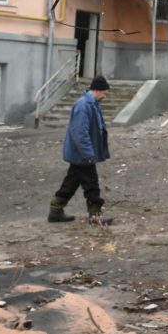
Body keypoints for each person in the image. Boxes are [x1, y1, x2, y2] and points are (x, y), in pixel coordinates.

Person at [48, 75, 112, 225]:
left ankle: (55, 212)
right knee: (92, 185)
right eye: (104, 93)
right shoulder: (84, 106)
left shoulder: (92, 104)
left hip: (81, 154)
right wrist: (89, 154)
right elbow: (80, 133)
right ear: (97, 90)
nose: (105, 96)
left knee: (70, 183)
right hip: (83, 155)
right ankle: (95, 217)